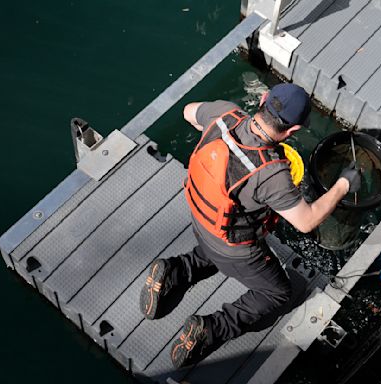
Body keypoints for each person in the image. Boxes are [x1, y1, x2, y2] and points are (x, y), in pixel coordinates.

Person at [139, 83, 361, 368]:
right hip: (234, 248)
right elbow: (306, 222)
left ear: (264, 99)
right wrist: (344, 184)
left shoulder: (223, 114)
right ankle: (211, 329)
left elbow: (188, 112)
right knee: (278, 294)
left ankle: (176, 271)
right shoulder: (272, 173)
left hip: (200, 220)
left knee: (218, 248)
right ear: (293, 132)